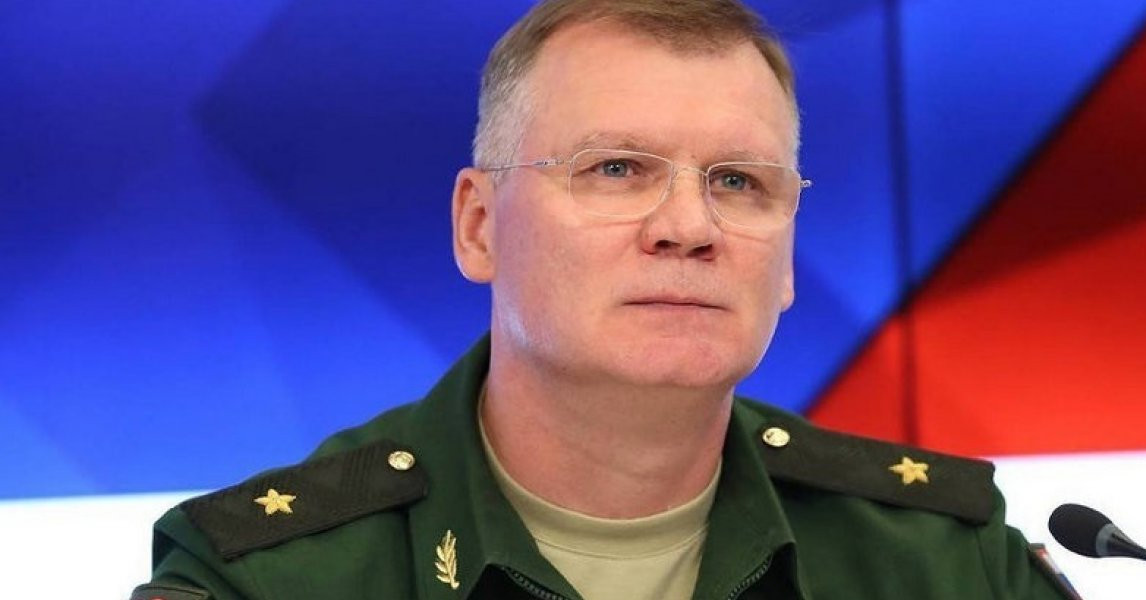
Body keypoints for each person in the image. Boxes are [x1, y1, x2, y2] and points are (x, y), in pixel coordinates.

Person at [133, 1, 1076, 598]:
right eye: (617, 168)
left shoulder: (944, 563)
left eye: (740, 182)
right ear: (479, 226)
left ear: (788, 256)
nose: (689, 226)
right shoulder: (269, 579)